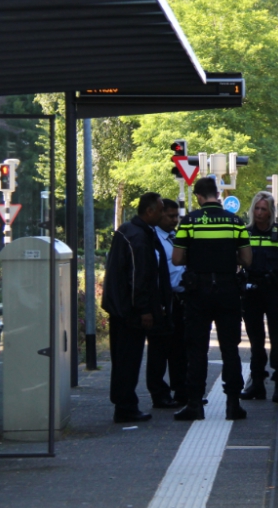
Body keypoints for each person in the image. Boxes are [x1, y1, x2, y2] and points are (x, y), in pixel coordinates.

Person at [171, 178, 252, 421]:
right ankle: (233, 405)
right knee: (230, 348)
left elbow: (176, 259)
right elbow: (247, 260)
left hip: (198, 292)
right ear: (217, 194)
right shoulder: (235, 222)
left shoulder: (189, 221)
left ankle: (195, 404)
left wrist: (198, 258)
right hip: (228, 291)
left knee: (197, 349)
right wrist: (227, 258)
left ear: (197, 196)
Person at [101, 193, 172, 423]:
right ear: (149, 211)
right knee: (129, 360)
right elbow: (139, 277)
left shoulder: (127, 230)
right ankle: (125, 407)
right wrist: (144, 310)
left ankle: (124, 403)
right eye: (160, 210)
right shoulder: (140, 238)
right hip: (130, 310)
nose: (163, 215)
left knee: (122, 359)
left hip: (119, 307)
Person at [239, 191, 278, 403]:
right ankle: (257, 383)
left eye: (263, 209)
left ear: (270, 212)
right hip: (252, 291)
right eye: (256, 208)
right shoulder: (245, 232)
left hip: (274, 290)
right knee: (255, 341)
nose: (258, 212)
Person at [146, 198, 188, 409]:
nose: (175, 220)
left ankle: (181, 390)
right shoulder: (154, 239)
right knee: (159, 349)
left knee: (180, 347)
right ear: (159, 214)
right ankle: (159, 393)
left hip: (180, 299)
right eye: (170, 216)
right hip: (164, 299)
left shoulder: (174, 236)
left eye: (176, 216)